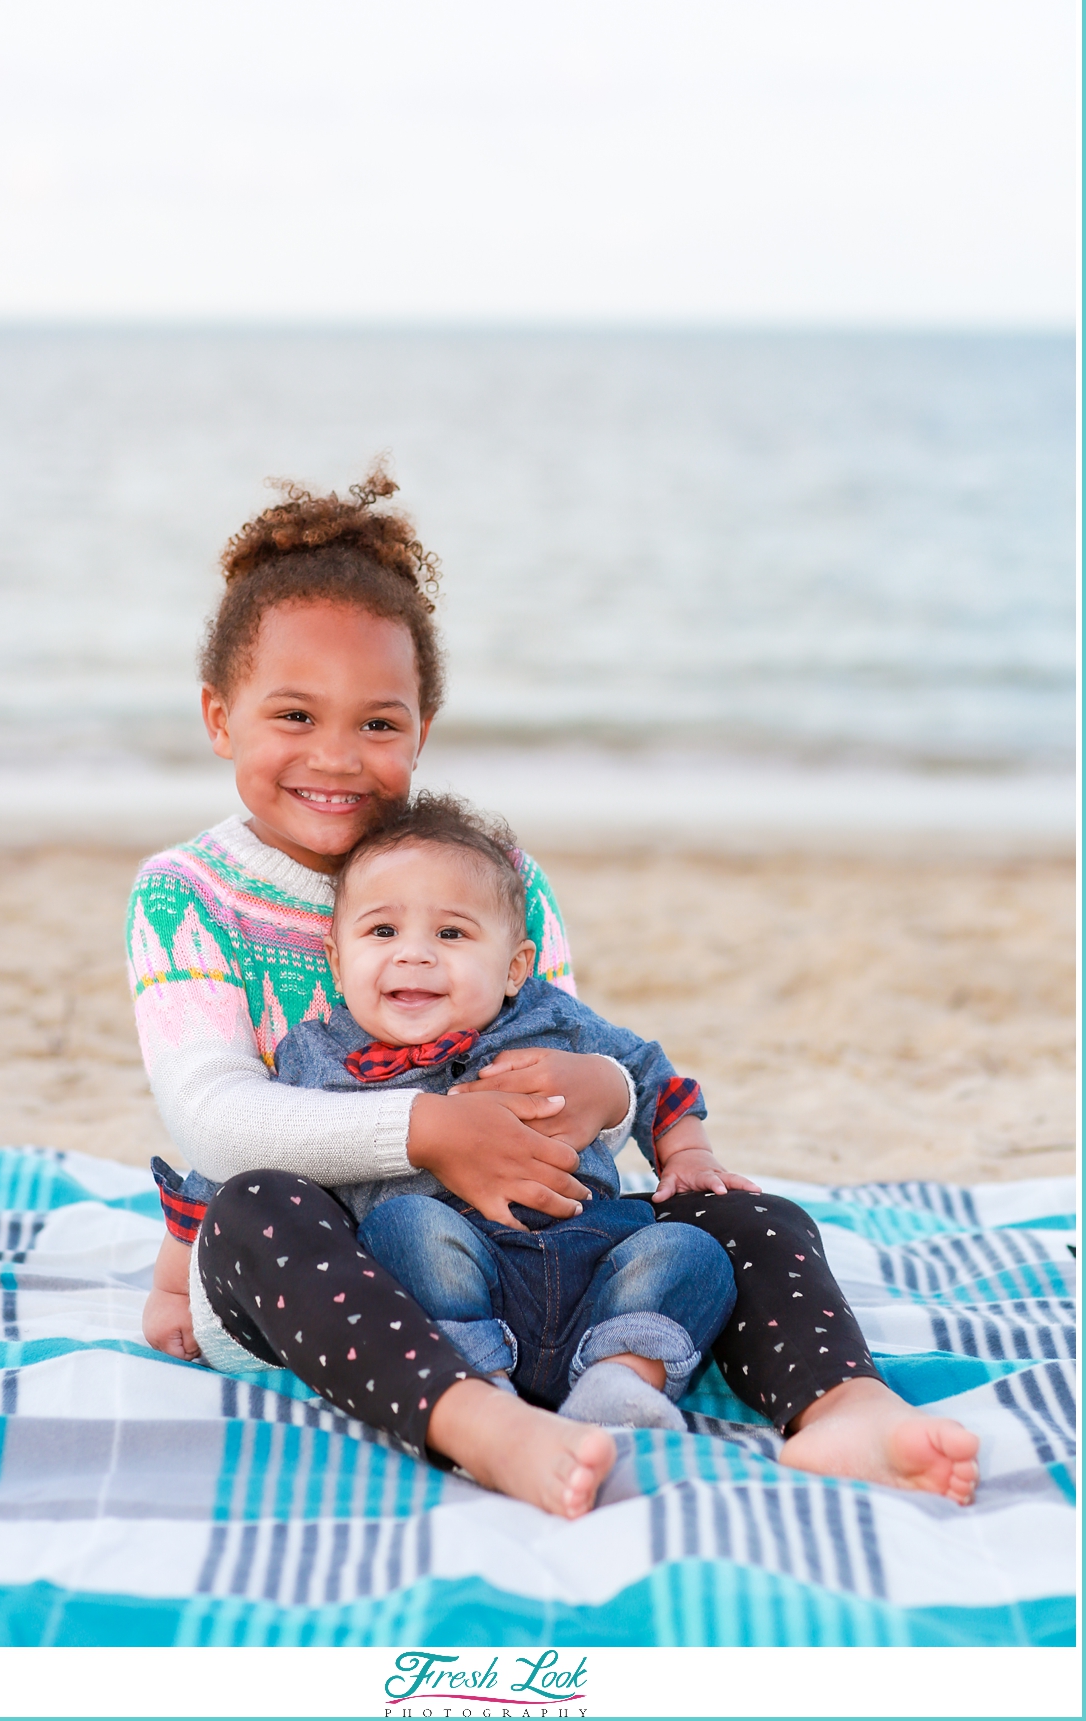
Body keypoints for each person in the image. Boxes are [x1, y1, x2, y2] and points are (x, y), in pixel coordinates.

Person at [131, 469, 979, 1513]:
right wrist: (432, 1129)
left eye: (380, 724)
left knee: (742, 1215)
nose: (337, 756)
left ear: (425, 725)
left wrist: (617, 1097)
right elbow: (209, 1115)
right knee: (256, 1208)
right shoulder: (187, 896)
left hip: (548, 1269)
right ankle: (476, 1420)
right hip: (352, 1288)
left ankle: (841, 1406)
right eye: (295, 714)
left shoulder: (499, 876)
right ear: (220, 716)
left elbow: (566, 1054)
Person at [145, 793, 740, 1432]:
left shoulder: (552, 1021)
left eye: (451, 934)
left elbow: (649, 1073)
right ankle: (479, 1388)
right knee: (407, 1226)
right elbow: (232, 1164)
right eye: (382, 931)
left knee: (692, 1251)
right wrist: (175, 1287)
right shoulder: (319, 1054)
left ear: (515, 968)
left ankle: (618, 1380)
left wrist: (687, 1152)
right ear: (338, 964)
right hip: (443, 1279)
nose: (415, 954)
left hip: (586, 1253)